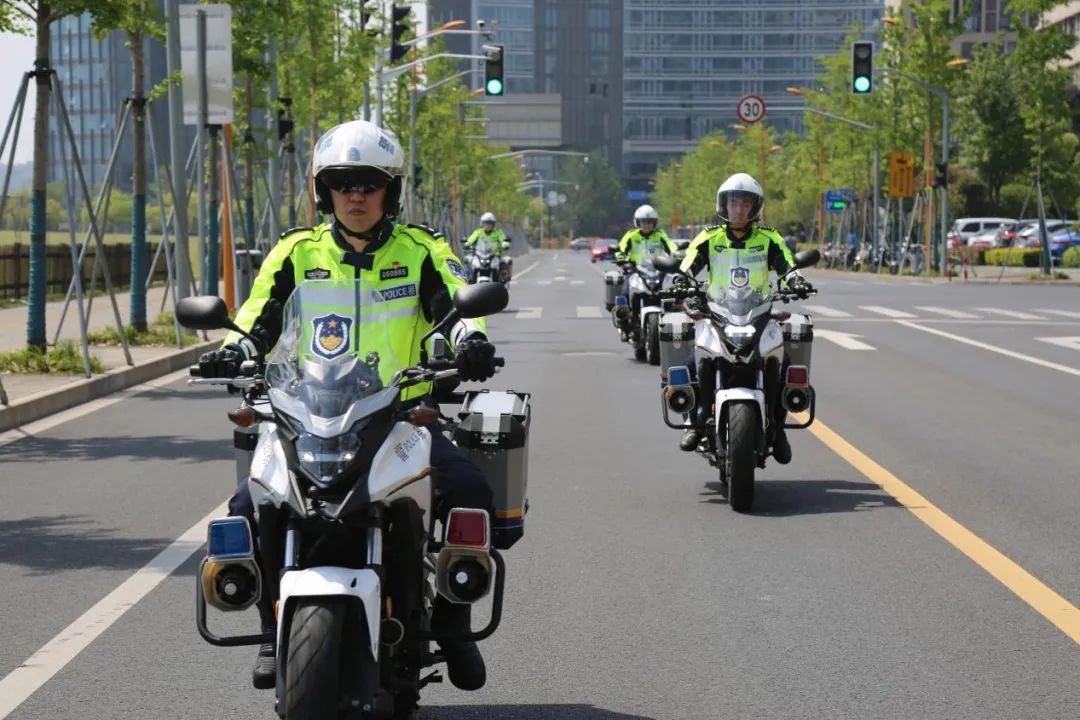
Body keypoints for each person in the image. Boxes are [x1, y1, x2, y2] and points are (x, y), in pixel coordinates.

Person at [197, 119, 495, 692]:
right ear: (324, 191)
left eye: (368, 182)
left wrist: (472, 342)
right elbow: (257, 318)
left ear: (391, 191)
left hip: (399, 415)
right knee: (245, 504)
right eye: (342, 182)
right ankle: (269, 626)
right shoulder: (295, 252)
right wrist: (230, 351)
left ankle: (454, 620)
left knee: (469, 489)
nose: (355, 195)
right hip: (307, 414)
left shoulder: (421, 250)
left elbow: (455, 308)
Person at [676, 173, 813, 463]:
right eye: (733, 203)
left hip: (758, 313)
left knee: (783, 362)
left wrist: (795, 281)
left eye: (745, 203)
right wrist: (681, 280)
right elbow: (688, 264)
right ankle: (696, 420)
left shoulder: (769, 238)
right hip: (719, 313)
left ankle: (778, 428)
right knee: (692, 361)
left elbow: (787, 266)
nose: (739, 209)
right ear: (723, 206)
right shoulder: (709, 238)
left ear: (755, 208)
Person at [614, 205, 677, 340]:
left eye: (650, 222)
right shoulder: (632, 235)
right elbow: (621, 248)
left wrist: (677, 254)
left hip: (658, 271)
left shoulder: (660, 235)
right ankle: (625, 324)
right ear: (638, 222)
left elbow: (671, 246)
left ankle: (674, 323)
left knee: (675, 291)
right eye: (644, 222)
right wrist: (620, 257)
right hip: (636, 270)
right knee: (625, 291)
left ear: (654, 223)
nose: (647, 225)